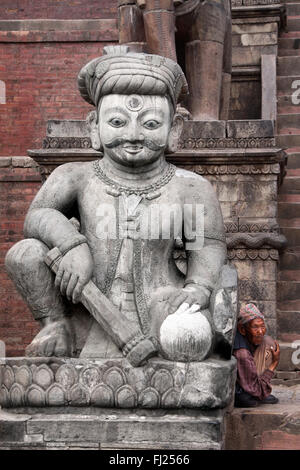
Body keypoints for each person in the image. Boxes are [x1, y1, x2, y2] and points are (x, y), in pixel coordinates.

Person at [5, 46, 227, 362]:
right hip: (85, 301)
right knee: (25, 252)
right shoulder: (76, 177)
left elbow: (204, 247)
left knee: (188, 337)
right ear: (94, 127)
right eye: (118, 122)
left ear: (174, 129)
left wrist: (196, 289)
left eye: (150, 124)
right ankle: (56, 327)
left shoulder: (188, 187)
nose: (133, 135)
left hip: (160, 304)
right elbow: (39, 214)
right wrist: (71, 246)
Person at [233, 303, 280, 408]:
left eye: (262, 326)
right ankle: (254, 392)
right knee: (250, 397)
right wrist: (274, 363)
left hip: (248, 372)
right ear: (242, 329)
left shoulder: (250, 338)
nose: (260, 331)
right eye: (255, 327)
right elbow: (244, 356)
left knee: (268, 343)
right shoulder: (242, 353)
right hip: (239, 388)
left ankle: (258, 389)